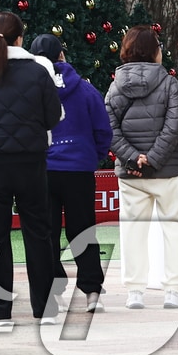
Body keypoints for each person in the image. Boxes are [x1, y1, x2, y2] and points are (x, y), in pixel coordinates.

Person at [0, 11, 63, 326]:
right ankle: (44, 308)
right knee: (38, 233)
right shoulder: (38, 72)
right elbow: (53, 117)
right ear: (20, 37)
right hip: (31, 162)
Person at [106, 25, 178, 310]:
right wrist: (153, 157)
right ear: (155, 51)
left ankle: (135, 292)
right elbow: (175, 125)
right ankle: (173, 290)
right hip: (169, 170)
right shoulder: (169, 83)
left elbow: (110, 128)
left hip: (131, 174)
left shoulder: (116, 84)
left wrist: (133, 158)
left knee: (133, 231)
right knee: (175, 229)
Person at [35, 33, 111, 313]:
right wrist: (93, 156)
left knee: (47, 232)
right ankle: (92, 291)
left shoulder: (31, 89)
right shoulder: (86, 90)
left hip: (43, 171)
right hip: (79, 169)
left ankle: (53, 289)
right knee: (82, 231)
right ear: (62, 56)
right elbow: (103, 130)